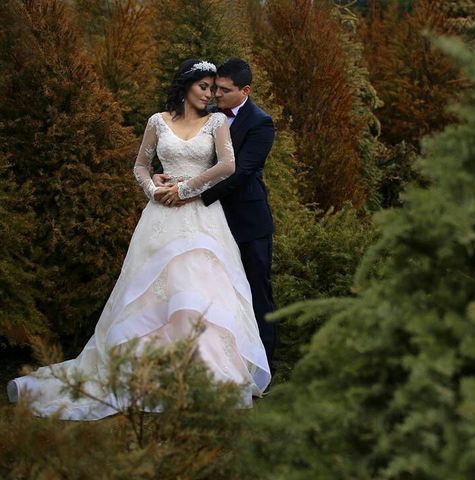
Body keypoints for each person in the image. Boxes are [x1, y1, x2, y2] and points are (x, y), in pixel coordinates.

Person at [6, 59, 271, 419]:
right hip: (161, 217)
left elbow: (227, 166)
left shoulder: (217, 122)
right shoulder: (157, 121)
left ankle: (205, 371)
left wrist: (186, 189)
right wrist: (152, 188)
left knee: (200, 292)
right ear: (187, 85)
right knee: (153, 292)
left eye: (215, 88)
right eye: (204, 87)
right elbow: (140, 165)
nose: (210, 94)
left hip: (200, 217)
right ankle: (146, 368)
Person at [154, 57, 277, 371]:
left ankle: (262, 365)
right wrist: (162, 175)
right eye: (214, 87)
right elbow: (185, 151)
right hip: (207, 222)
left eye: (224, 90)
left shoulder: (260, 122)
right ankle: (217, 361)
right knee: (213, 293)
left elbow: (241, 172)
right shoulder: (208, 115)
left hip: (246, 221)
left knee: (254, 290)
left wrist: (190, 195)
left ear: (244, 90)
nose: (216, 95)